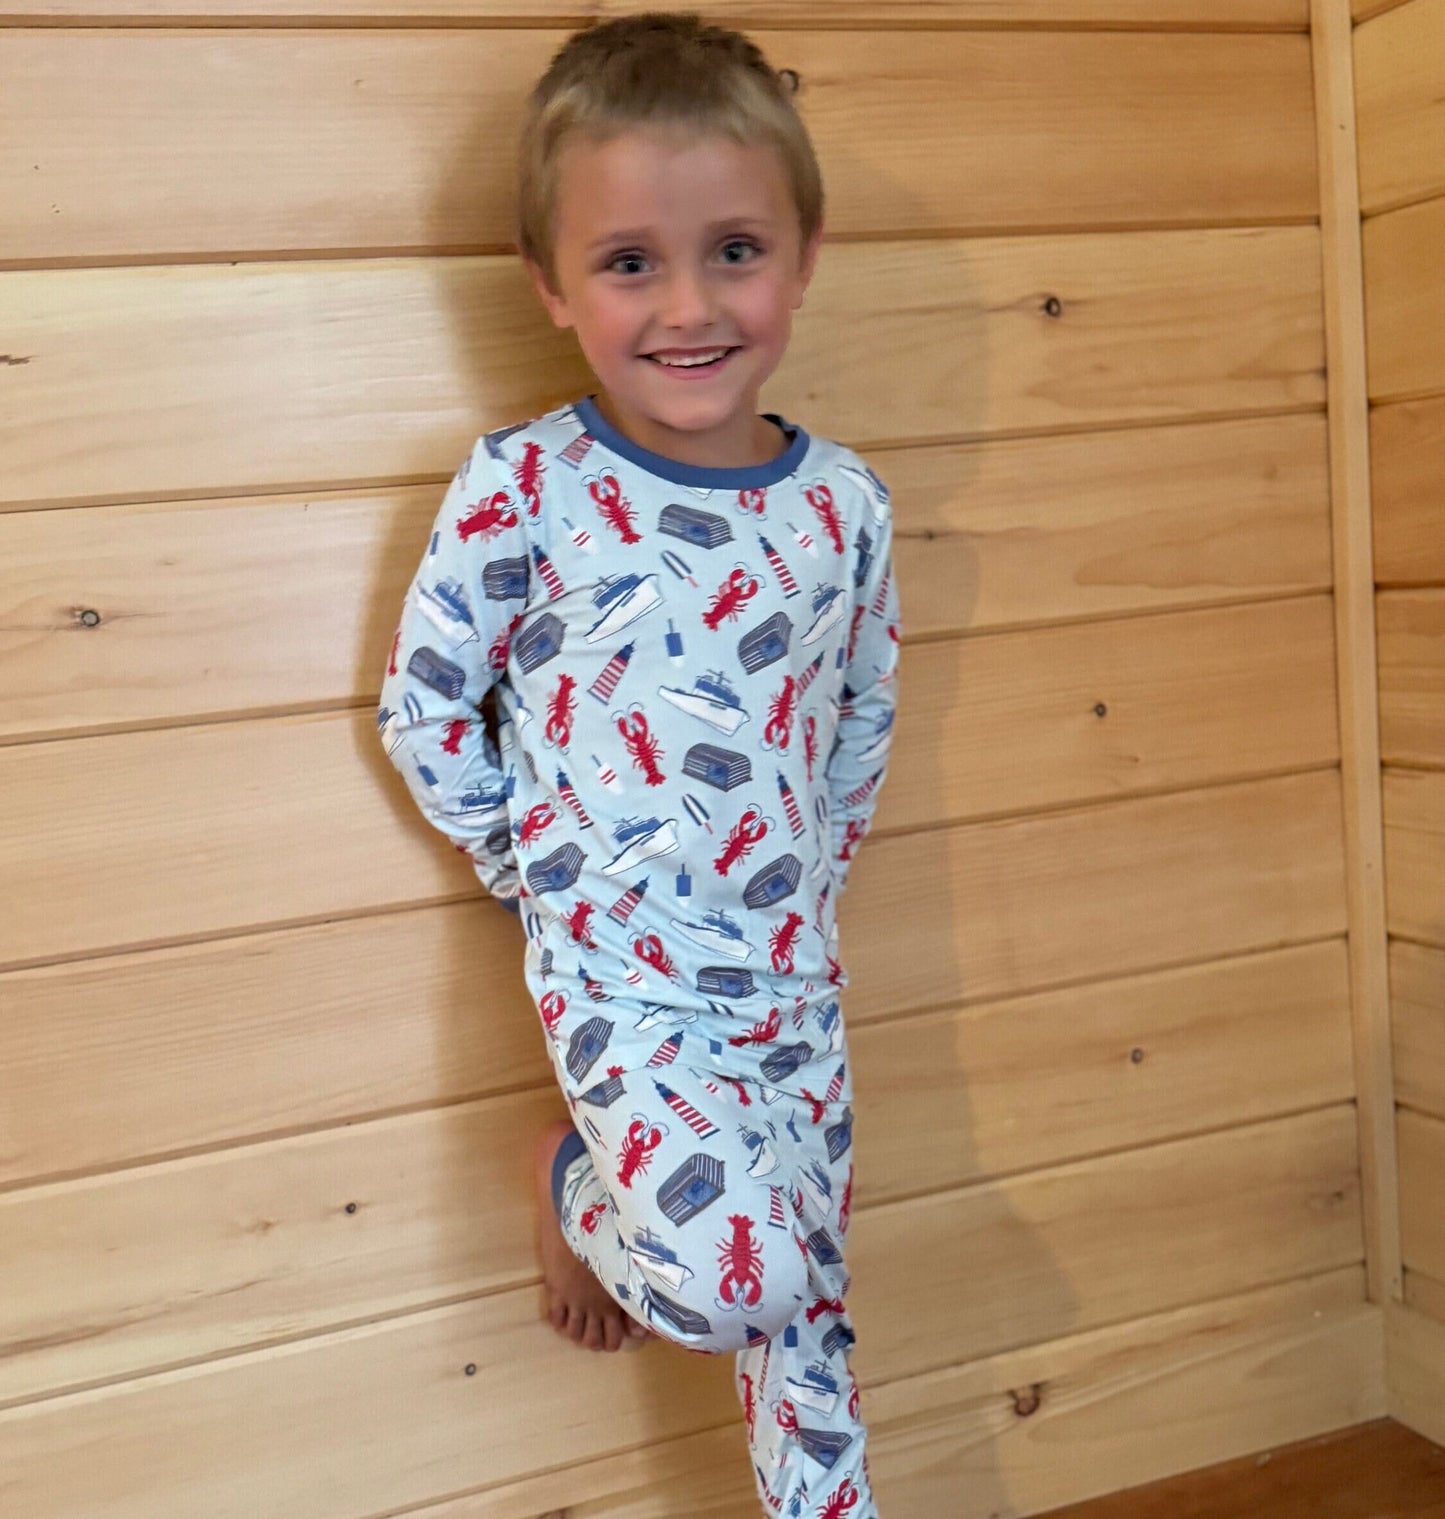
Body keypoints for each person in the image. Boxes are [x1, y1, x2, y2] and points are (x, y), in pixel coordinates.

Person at [377, 13, 899, 1515]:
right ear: (551, 282)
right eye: (628, 263)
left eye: (734, 248)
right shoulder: (526, 488)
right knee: (737, 1271)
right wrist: (536, 874)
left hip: (789, 966)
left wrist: (810, 879)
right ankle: (572, 1186)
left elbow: (858, 715)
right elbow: (426, 709)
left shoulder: (843, 507)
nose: (688, 303)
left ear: (802, 253)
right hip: (619, 969)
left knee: (809, 1320)